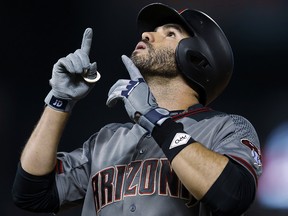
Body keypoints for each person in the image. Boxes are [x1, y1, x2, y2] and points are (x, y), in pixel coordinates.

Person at [12, 2, 262, 216]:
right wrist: (59, 100)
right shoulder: (107, 139)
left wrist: (156, 119)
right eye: (151, 30)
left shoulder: (226, 127)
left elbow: (233, 194)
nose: (147, 35)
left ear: (197, 57)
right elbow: (31, 193)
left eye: (170, 33)